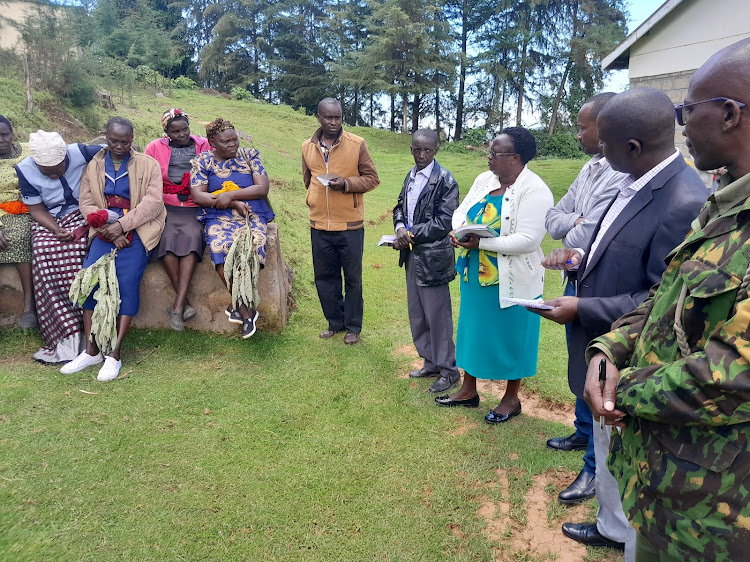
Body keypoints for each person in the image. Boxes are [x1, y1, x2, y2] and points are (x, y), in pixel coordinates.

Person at [584, 38, 750, 561]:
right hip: (668, 490)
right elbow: (667, 294)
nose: (680, 125)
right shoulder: (723, 204)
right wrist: (611, 346)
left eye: (688, 111)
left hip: (717, 519)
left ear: (727, 115)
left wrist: (619, 390)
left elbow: (735, 375)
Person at [534, 88, 707, 559]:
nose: (598, 154)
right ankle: (611, 526)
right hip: (604, 343)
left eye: (605, 144)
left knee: (623, 451)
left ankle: (625, 532)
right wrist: (578, 260)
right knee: (609, 447)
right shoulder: (634, 181)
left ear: (632, 146)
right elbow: (612, 248)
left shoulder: (683, 200)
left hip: (632, 353)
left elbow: (659, 298)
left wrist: (581, 308)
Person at [435, 128, 553, 422]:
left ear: (514, 158)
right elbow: (461, 211)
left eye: (494, 153)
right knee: (473, 330)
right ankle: (468, 389)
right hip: (477, 274)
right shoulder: (485, 180)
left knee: (513, 336)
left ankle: (511, 398)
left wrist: (482, 242)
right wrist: (459, 231)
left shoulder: (535, 191)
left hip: (514, 279)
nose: (488, 157)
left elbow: (528, 240)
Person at [543, 93, 627, 501]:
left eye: (582, 127)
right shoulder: (591, 167)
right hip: (576, 279)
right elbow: (555, 218)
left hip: (601, 289)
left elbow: (584, 234)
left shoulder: (620, 173)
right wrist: (574, 221)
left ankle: (594, 469)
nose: (578, 135)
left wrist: (574, 224)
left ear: (605, 126)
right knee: (579, 358)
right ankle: (582, 434)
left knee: (597, 369)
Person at [60, 117, 165, 381]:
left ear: (132, 139)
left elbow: (153, 203)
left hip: (138, 229)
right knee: (90, 279)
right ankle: (91, 350)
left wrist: (123, 225)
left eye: (125, 141)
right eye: (113, 140)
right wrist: (107, 225)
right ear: (105, 137)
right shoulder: (94, 165)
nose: (119, 146)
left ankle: (114, 354)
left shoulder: (148, 164)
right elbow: (86, 202)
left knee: (126, 281)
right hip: (105, 229)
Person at [16, 131, 102, 363]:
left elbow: (115, 150)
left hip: (81, 211)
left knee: (77, 251)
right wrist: (55, 229)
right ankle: (65, 336)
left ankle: (90, 334)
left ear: (65, 156)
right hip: (50, 217)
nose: (55, 173)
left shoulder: (80, 152)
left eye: (59, 167)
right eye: (48, 170)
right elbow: (36, 210)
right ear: (36, 163)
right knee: (43, 251)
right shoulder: (25, 169)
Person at [302, 97, 380, 344]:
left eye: (338, 117)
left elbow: (372, 178)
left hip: (350, 226)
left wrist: (345, 184)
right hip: (319, 225)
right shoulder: (307, 147)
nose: (334, 122)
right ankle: (334, 323)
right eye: (328, 117)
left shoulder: (357, 144)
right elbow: (309, 180)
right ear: (318, 118)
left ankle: (353, 327)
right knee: (325, 278)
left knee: (353, 278)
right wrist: (314, 198)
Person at [190, 117, 273, 339]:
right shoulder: (203, 161)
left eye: (234, 140)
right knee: (220, 246)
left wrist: (232, 195)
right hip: (218, 214)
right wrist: (228, 201)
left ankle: (239, 306)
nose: (232, 145)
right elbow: (198, 194)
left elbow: (262, 188)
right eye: (226, 142)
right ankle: (245, 311)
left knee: (253, 245)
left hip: (251, 211)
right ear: (212, 142)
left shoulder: (249, 155)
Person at [392, 129, 460, 394]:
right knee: (418, 313)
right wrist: (399, 226)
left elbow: (445, 222)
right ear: (411, 149)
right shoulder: (410, 176)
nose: (421, 155)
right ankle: (430, 361)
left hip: (433, 259)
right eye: (417, 149)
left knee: (438, 316)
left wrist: (410, 234)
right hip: (411, 255)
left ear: (436, 150)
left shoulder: (445, 180)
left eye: (427, 150)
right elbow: (400, 206)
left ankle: (449, 370)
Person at [145, 108, 211, 331]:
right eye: (175, 131)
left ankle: (177, 308)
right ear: (166, 132)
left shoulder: (203, 145)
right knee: (166, 238)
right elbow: (149, 179)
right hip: (167, 206)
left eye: (185, 129)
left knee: (193, 236)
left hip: (195, 205)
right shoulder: (154, 148)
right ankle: (185, 305)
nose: (181, 134)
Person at [0, 115, 36, 329]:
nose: (0, 140)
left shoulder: (28, 152)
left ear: (12, 135)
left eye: (4, 135)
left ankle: (29, 307)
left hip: (24, 208)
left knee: (21, 236)